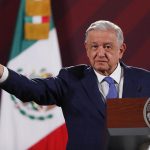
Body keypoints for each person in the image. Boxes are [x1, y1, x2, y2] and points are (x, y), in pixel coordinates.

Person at [0, 20, 150, 150]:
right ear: (86, 48)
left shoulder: (144, 80)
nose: (100, 53)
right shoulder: (71, 79)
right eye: (94, 46)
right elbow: (33, 89)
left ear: (121, 50)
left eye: (108, 47)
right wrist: (2, 73)